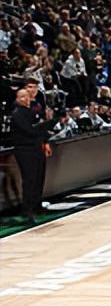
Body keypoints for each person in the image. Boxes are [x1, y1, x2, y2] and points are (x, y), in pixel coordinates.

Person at [8, 88, 55, 224]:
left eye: (27, 96)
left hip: (37, 148)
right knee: (29, 180)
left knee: (39, 177)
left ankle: (37, 206)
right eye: (22, 97)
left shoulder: (33, 111)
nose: (26, 99)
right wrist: (44, 126)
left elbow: (40, 129)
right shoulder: (17, 114)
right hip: (25, 150)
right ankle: (27, 210)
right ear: (17, 99)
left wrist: (45, 140)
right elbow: (30, 130)